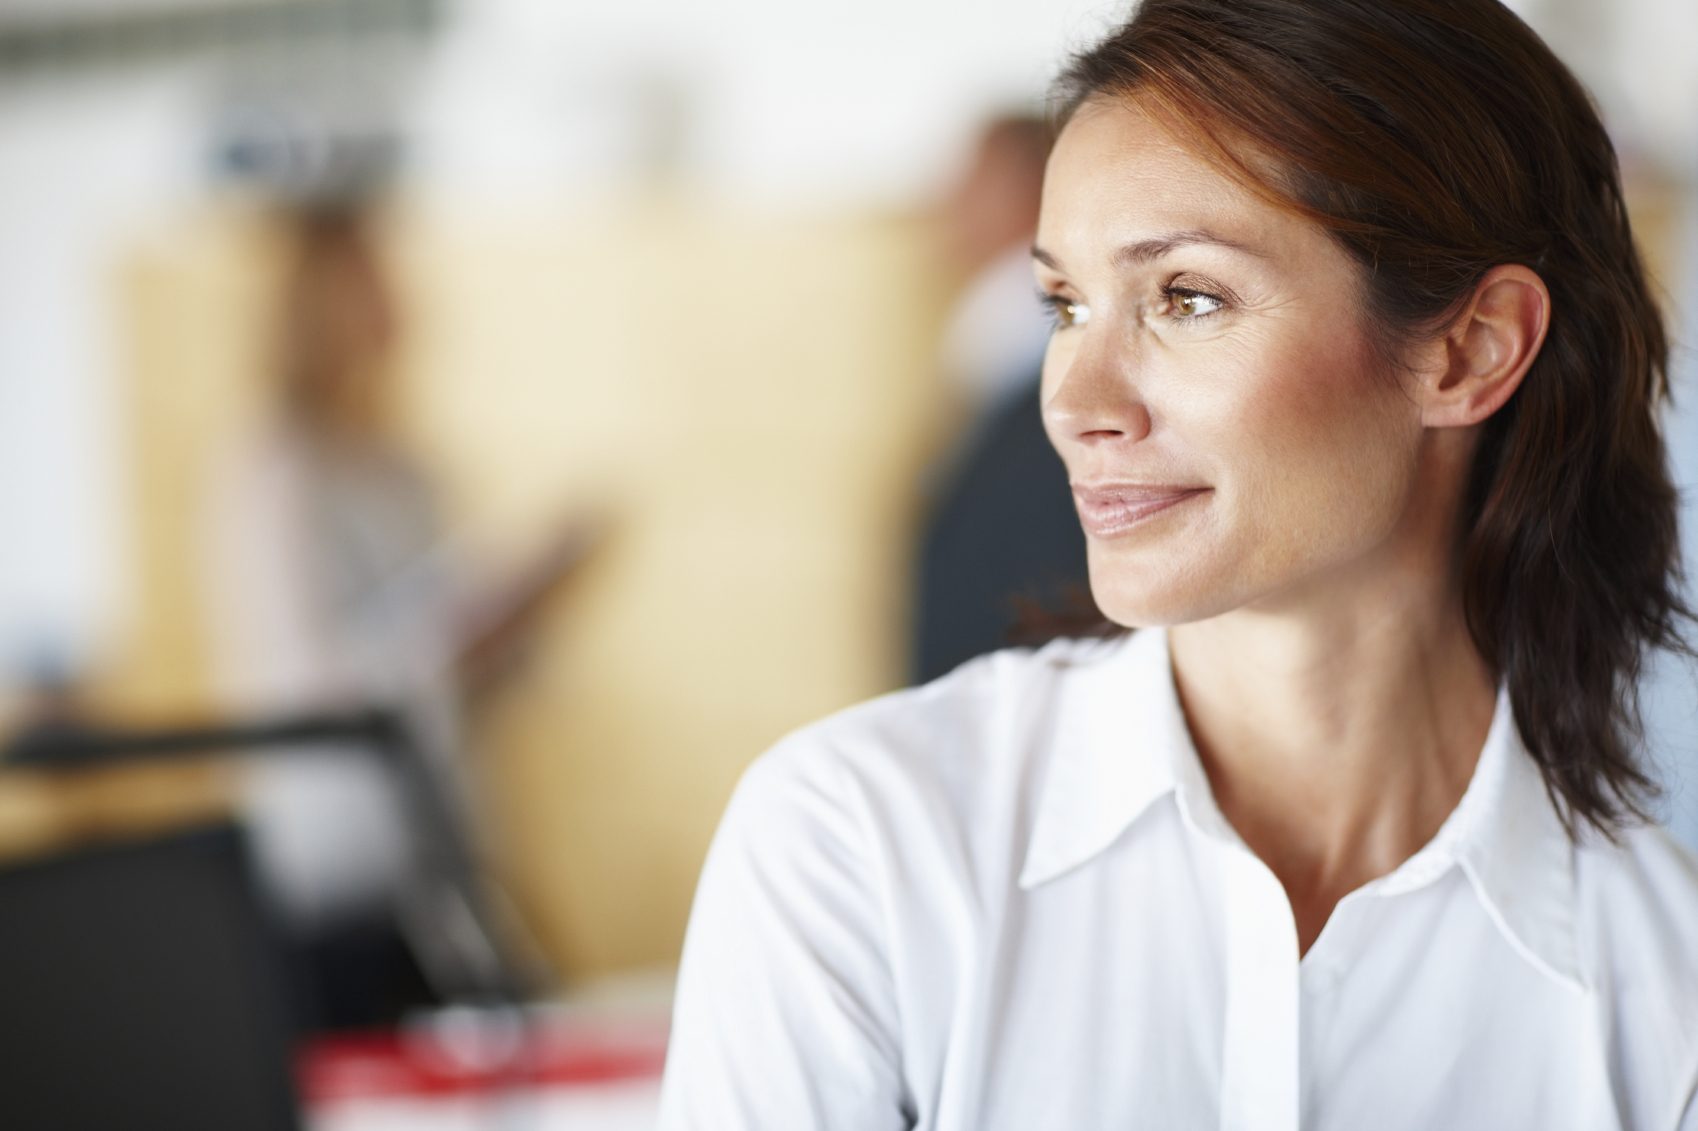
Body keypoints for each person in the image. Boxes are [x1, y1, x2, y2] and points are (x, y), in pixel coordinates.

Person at [658, 0, 1698, 1127]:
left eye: (1186, 297)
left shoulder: (1663, 989)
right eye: (1064, 303)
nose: (1074, 402)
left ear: (1469, 348)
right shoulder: (862, 850)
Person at [912, 115, 1090, 683]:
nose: (947, 203)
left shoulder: (1035, 380)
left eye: (971, 178)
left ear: (1031, 188)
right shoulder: (989, 360)